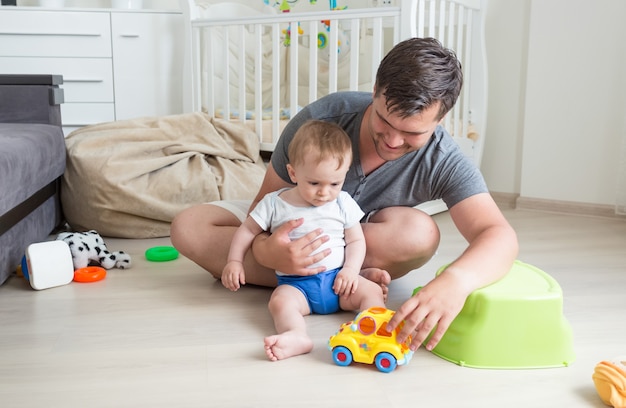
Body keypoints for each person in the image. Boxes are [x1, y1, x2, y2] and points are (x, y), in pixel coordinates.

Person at [170, 37, 518, 353]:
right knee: (187, 227)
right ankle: (331, 280)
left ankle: (335, 276)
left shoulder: (442, 158)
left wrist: (455, 282)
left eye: (411, 132)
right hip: (293, 224)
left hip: (359, 239)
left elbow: (498, 235)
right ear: (376, 90)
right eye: (385, 121)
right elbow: (267, 207)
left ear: (440, 120)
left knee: (421, 233)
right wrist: (268, 251)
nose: (393, 142)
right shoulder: (322, 120)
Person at [222, 120, 385, 361]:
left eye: (334, 183)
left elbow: (356, 241)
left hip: (338, 282)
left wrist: (351, 271)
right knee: (279, 302)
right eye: (314, 183)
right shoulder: (275, 203)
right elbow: (247, 230)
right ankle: (296, 334)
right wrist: (234, 261)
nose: (324, 192)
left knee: (370, 290)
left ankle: (373, 327)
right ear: (293, 172)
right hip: (297, 286)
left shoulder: (342, 202)